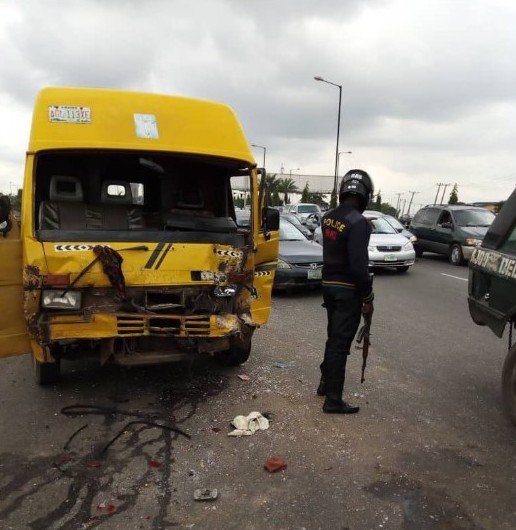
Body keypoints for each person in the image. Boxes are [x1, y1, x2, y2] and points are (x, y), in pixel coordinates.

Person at [317, 169, 375, 414]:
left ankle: (324, 384)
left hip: (329, 287)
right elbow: (359, 268)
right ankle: (333, 399)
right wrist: (368, 296)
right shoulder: (359, 223)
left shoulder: (328, 217)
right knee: (340, 344)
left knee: (333, 338)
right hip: (347, 291)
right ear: (366, 195)